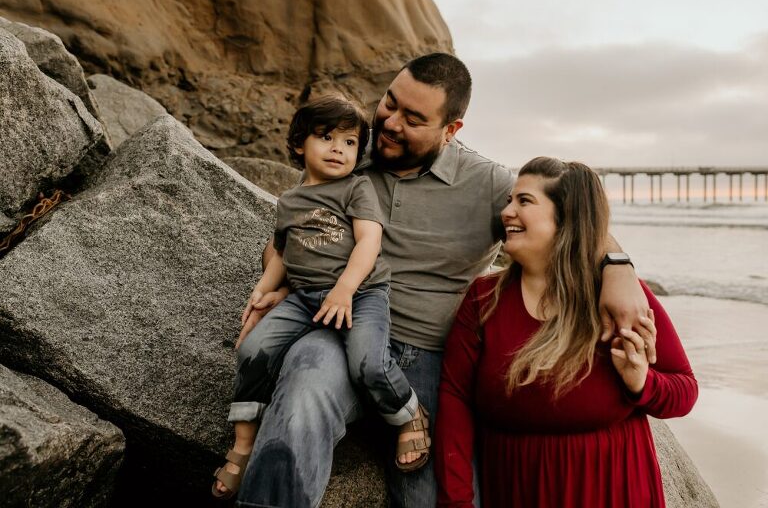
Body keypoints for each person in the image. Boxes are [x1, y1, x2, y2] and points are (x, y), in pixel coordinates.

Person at [234, 54, 652, 508]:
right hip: (337, 331)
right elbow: (294, 234)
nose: (390, 123)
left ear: (451, 131)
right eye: (389, 103)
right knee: (301, 399)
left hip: (426, 353)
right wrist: (281, 285)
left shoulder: (489, 184)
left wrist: (618, 267)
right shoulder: (348, 153)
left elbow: (572, 218)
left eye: (413, 119)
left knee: (435, 496)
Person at [434, 157, 698, 507]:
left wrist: (641, 382)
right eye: (509, 200)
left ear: (565, 216)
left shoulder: (620, 299)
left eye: (524, 201)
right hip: (516, 487)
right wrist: (456, 501)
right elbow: (455, 398)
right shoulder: (483, 299)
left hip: (612, 488)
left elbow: (684, 390)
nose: (507, 212)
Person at [212, 95, 431, 499]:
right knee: (252, 351)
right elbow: (282, 252)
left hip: (361, 294)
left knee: (368, 361)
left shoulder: (356, 188)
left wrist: (345, 289)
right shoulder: (291, 200)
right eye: (326, 137)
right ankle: (243, 445)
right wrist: (263, 291)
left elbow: (369, 242)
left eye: (350, 143)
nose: (338, 148)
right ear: (299, 144)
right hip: (305, 297)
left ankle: (408, 413)